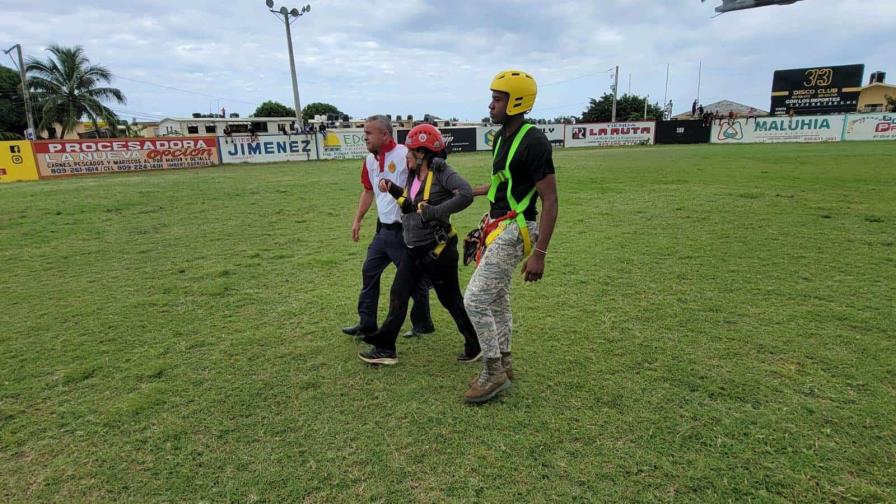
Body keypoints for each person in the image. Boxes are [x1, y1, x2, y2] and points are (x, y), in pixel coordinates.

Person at [462, 70, 559, 404]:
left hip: (517, 231)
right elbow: (504, 184)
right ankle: (505, 360)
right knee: (497, 299)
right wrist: (473, 194)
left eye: (497, 99)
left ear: (517, 101)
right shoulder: (502, 136)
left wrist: (540, 253)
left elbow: (550, 199)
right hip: (499, 225)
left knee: (474, 299)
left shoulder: (534, 141)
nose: (491, 105)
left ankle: (492, 372)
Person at [358, 124, 480, 365]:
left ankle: (475, 344)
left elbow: (465, 194)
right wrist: (392, 189)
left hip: (438, 252)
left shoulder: (442, 171)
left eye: (410, 151)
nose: (406, 156)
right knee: (399, 294)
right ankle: (385, 349)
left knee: (451, 300)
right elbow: (410, 205)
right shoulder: (414, 175)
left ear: (422, 154)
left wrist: (435, 211)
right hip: (414, 251)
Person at [342, 115, 434, 339]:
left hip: (404, 231)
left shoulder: (404, 154)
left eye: (369, 134)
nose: (365, 138)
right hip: (382, 231)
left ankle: (423, 322)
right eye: (364, 134)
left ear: (385, 135)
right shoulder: (369, 160)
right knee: (369, 272)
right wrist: (358, 219)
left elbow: (423, 181)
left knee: (411, 280)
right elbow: (368, 191)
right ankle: (366, 323)